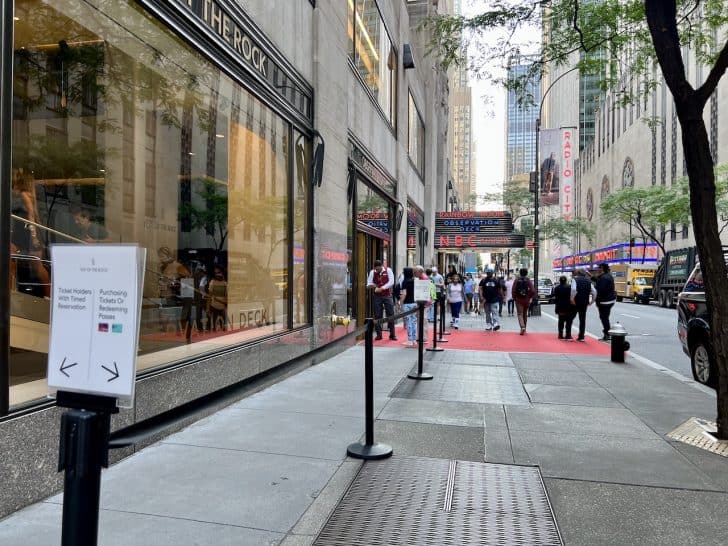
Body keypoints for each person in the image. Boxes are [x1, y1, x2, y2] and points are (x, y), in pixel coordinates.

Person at [11, 168, 50, 297]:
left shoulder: (24, 195)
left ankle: (48, 295)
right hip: (23, 230)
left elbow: (31, 215)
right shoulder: (27, 194)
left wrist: (34, 237)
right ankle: (13, 289)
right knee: (15, 259)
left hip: (25, 230)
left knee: (36, 265)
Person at [366, 259, 397, 341]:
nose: (377, 270)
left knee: (390, 314)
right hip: (377, 296)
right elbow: (368, 283)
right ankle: (379, 334)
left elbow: (392, 282)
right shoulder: (372, 272)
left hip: (387, 295)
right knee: (377, 315)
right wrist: (373, 286)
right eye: (376, 269)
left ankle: (392, 334)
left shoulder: (388, 270)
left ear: (381, 266)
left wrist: (382, 288)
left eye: (378, 269)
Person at [571, 268, 597, 342]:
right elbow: (594, 291)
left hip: (575, 302)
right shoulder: (589, 281)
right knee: (582, 320)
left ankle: (568, 334)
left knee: (571, 317)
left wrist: (572, 298)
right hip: (584, 302)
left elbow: (573, 290)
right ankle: (581, 336)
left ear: (578, 273)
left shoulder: (575, 280)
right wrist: (592, 301)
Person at [595, 263, 617, 341]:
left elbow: (600, 289)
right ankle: (607, 333)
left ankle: (607, 334)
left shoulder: (604, 278)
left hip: (605, 301)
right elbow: (600, 282)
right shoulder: (608, 276)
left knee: (604, 318)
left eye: (599, 268)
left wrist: (596, 299)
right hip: (610, 300)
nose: (598, 269)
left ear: (602, 268)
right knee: (605, 317)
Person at [512, 268, 536, 335]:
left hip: (519, 299)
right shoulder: (528, 280)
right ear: (526, 273)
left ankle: (522, 327)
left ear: (520, 273)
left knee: (520, 314)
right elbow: (533, 291)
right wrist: (530, 297)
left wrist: (515, 298)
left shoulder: (517, 280)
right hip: (526, 299)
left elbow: (513, 290)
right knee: (525, 314)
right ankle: (524, 328)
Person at [398, 267, 417, 347]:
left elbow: (404, 294)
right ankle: (414, 339)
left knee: (409, 321)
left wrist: (400, 303)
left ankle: (409, 340)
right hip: (414, 303)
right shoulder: (415, 281)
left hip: (407, 304)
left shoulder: (405, 282)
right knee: (414, 321)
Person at [554, 275, 576, 340]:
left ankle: (560, 335)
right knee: (569, 321)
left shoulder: (557, 288)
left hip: (560, 307)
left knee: (561, 321)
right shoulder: (569, 287)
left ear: (559, 281)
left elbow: (555, 297)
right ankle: (568, 335)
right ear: (566, 281)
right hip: (569, 307)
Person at [207, 265, 228, 331]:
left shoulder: (224, 283)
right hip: (215, 306)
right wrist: (208, 307)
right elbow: (209, 296)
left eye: (218, 272)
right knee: (215, 327)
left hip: (222, 307)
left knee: (223, 327)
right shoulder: (213, 282)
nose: (218, 274)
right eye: (216, 273)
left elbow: (226, 296)